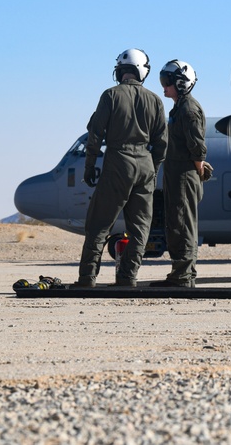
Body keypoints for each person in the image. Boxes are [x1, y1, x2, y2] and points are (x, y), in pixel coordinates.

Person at [77, 48, 167, 287]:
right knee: (140, 228)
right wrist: (153, 171)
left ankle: (87, 277)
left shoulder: (110, 96)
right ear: (142, 72)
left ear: (120, 72)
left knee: (99, 224)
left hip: (118, 161)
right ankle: (127, 276)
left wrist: (89, 167)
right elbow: (161, 144)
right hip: (145, 164)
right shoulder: (155, 100)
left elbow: (94, 135)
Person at [150, 60, 208, 288]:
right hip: (177, 174)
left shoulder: (188, 109)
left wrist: (199, 167)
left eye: (167, 82)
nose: (163, 87)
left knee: (182, 223)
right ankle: (183, 273)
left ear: (182, 84)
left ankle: (182, 275)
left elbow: (197, 146)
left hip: (184, 174)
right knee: (177, 222)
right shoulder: (179, 107)